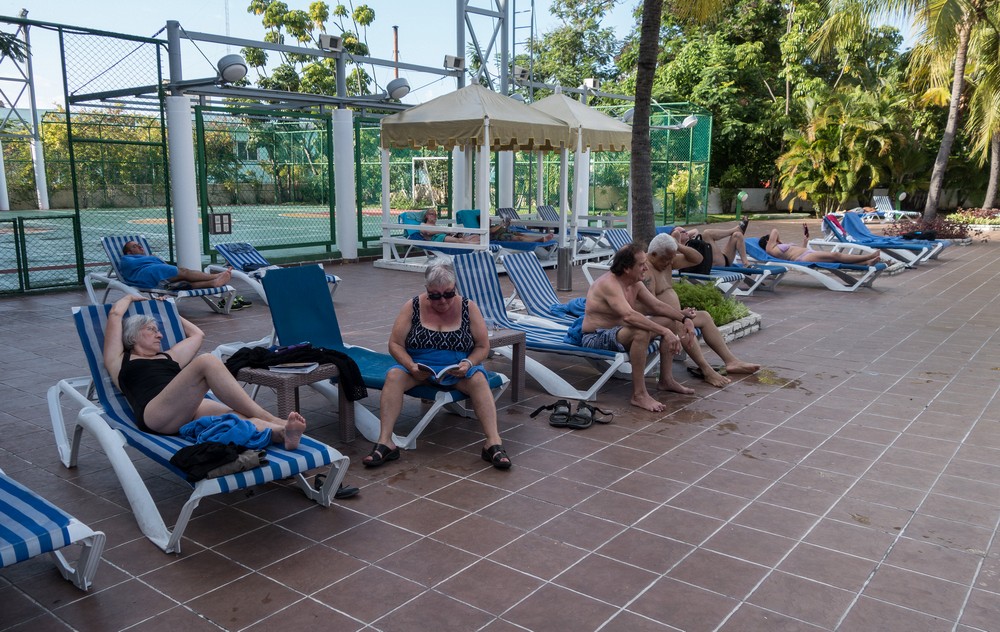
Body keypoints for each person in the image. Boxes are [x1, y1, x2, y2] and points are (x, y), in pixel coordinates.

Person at [103, 294, 306, 449]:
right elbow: (115, 314)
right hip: (156, 414)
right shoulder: (119, 361)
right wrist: (130, 296)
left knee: (236, 417)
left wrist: (169, 310)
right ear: (133, 335)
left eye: (159, 330)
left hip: (185, 409)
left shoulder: (169, 356)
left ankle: (282, 433)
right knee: (207, 361)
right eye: (152, 330)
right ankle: (269, 416)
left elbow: (197, 334)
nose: (160, 335)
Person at [362, 260, 511, 470]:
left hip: (457, 370)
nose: (442, 300)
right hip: (419, 369)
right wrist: (411, 366)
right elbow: (395, 344)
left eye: (448, 294)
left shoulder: (468, 307)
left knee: (478, 378)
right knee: (394, 375)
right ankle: (386, 441)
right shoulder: (413, 306)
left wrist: (468, 363)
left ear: (455, 288)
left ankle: (493, 443)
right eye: (435, 295)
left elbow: (482, 346)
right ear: (427, 291)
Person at [582, 242, 686, 412]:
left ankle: (666, 380)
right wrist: (665, 332)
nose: (646, 268)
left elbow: (657, 306)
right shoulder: (609, 284)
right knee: (641, 330)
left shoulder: (635, 283)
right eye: (641, 264)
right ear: (627, 268)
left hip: (620, 333)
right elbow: (629, 316)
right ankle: (639, 394)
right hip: (596, 337)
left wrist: (684, 318)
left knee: (668, 320)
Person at [646, 233, 760, 387]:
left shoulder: (666, 262)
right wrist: (681, 316)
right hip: (656, 319)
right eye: (666, 259)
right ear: (653, 254)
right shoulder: (647, 270)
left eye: (671, 258)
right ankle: (707, 370)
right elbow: (651, 306)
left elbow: (698, 259)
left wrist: (677, 246)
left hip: (676, 316)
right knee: (679, 325)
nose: (669, 263)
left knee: (704, 317)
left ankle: (731, 361)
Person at [119, 241, 233, 290]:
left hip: (158, 276)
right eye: (134, 246)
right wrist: (152, 259)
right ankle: (216, 276)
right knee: (184, 272)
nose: (139, 247)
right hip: (148, 274)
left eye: (139, 245)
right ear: (128, 252)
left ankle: (213, 283)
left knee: (185, 284)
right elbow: (130, 268)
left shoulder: (148, 258)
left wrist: (152, 259)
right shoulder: (126, 259)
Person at [759, 226, 880, 265]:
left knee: (835, 260)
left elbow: (799, 250)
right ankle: (867, 257)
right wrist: (776, 239)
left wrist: (805, 241)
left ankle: (866, 263)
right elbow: (774, 230)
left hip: (806, 253)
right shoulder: (771, 249)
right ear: (768, 241)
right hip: (803, 258)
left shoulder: (775, 248)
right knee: (835, 255)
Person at [672, 221, 749, 268]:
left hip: (723, 258)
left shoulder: (690, 240)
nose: (686, 232)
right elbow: (675, 235)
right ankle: (735, 229)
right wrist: (676, 235)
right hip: (713, 263)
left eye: (686, 231)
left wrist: (690, 237)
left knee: (737, 235)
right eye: (683, 232)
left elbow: (695, 230)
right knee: (706, 233)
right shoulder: (678, 248)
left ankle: (746, 263)